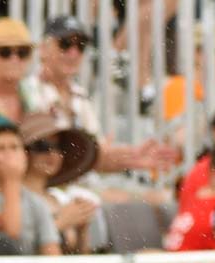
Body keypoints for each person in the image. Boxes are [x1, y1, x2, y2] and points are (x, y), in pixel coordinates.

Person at [22, 14, 178, 178]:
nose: (74, 53)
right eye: (65, 44)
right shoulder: (28, 90)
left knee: (154, 199)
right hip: (41, 186)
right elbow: (43, 154)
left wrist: (132, 157)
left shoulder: (79, 95)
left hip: (74, 187)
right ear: (43, 49)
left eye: (80, 46)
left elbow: (95, 158)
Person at [0, 111, 61, 256]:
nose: (9, 154)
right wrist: (12, 180)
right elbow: (10, 233)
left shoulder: (36, 202)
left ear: (25, 156)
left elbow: (52, 254)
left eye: (14, 147)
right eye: (0, 149)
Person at [19, 111, 99, 255]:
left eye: (59, 147)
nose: (52, 154)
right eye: (42, 146)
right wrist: (60, 223)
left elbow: (78, 261)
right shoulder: (15, 197)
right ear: (24, 152)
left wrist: (82, 231)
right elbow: (18, 250)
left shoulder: (58, 198)